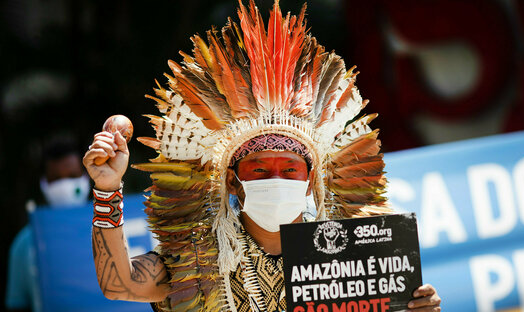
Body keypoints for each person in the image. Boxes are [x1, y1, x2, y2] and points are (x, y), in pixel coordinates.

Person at [82, 1, 442, 311]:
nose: (276, 179)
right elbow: (119, 284)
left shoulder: (348, 260)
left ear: (310, 180)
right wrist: (108, 189)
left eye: (289, 168)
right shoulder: (198, 258)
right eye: (259, 168)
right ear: (232, 181)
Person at [6, 136, 90, 312]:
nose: (65, 186)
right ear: (44, 183)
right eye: (56, 179)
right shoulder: (24, 244)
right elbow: (18, 305)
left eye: (72, 176)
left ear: (86, 176)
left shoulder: (118, 227)